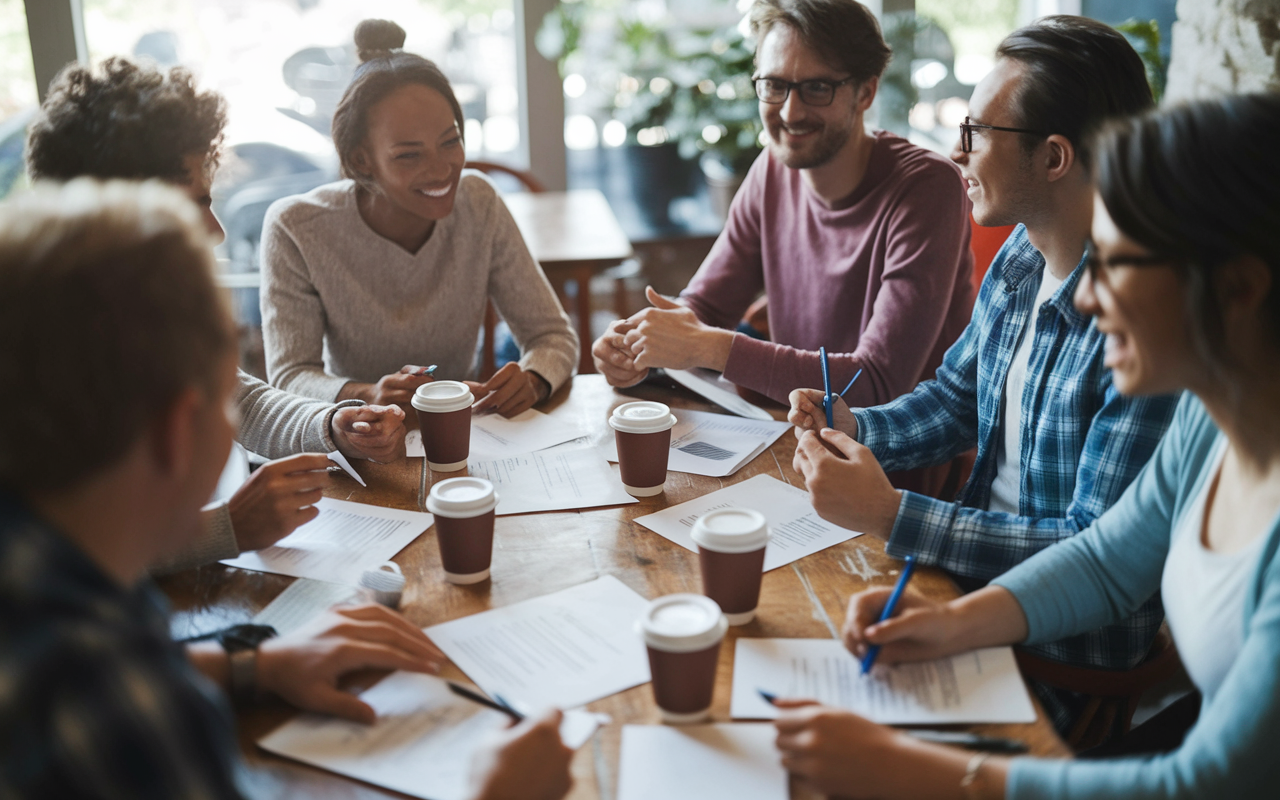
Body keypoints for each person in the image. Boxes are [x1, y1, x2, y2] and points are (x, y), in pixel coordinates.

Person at [775, 92, 1280, 800]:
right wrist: (949, 624)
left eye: (1119, 262)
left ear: (1237, 291)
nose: (1084, 297)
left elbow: (1201, 785)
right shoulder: (1212, 423)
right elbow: (1107, 563)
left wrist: (913, 772)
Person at [0, 179, 574, 800]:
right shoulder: (124, 718)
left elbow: (114, 666)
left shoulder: (63, 584)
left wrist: (252, 666)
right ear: (175, 433)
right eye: (226, 400)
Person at [788, 16, 1179, 732]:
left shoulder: (1147, 324)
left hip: (1058, 664)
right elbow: (956, 398)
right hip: (956, 589)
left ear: (1054, 156)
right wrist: (853, 424)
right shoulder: (1022, 258)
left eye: (975, 133)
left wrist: (891, 515)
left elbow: (1094, 553)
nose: (956, 152)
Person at [24, 56, 408, 570]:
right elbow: (55, 560)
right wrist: (227, 528)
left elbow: (238, 398)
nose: (217, 231)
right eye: (191, 205)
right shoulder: (33, 349)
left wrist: (334, 424)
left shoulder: (133, 304)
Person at [592, 0, 976, 495]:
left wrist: (706, 344)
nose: (791, 112)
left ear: (865, 92)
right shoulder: (772, 169)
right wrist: (640, 344)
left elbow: (877, 383)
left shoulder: (927, 187)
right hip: (790, 451)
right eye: (774, 85)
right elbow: (704, 307)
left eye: (818, 87)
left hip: (893, 481)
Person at [260, 19, 578, 418]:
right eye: (410, 155)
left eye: (451, 141)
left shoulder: (478, 202)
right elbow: (290, 376)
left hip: (465, 432)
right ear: (361, 160)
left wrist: (533, 379)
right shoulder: (296, 229)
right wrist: (367, 394)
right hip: (354, 441)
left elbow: (552, 335)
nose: (442, 170)